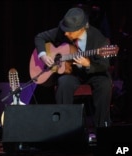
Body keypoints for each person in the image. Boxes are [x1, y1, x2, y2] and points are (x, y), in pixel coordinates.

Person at [34, 8, 113, 139]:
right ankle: (65, 129)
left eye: (69, 32)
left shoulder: (98, 39)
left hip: (93, 72)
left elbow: (104, 66)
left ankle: (102, 130)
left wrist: (88, 64)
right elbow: (39, 37)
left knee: (104, 83)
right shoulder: (63, 32)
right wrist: (43, 56)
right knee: (63, 82)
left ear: (82, 29)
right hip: (73, 73)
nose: (65, 34)